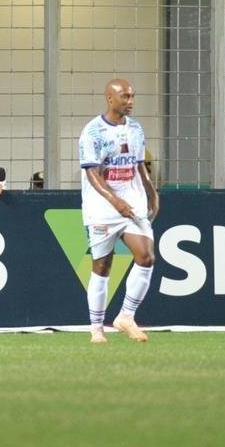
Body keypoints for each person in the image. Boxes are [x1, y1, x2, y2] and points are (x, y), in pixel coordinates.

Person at [78, 78, 160, 344]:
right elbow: (92, 173)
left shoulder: (135, 128)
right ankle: (96, 329)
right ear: (109, 99)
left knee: (146, 256)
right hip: (102, 206)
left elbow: (139, 165)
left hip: (131, 201)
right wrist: (114, 201)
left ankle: (126, 316)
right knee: (102, 267)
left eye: (132, 96)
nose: (130, 102)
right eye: (124, 97)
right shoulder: (92, 132)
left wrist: (151, 191)